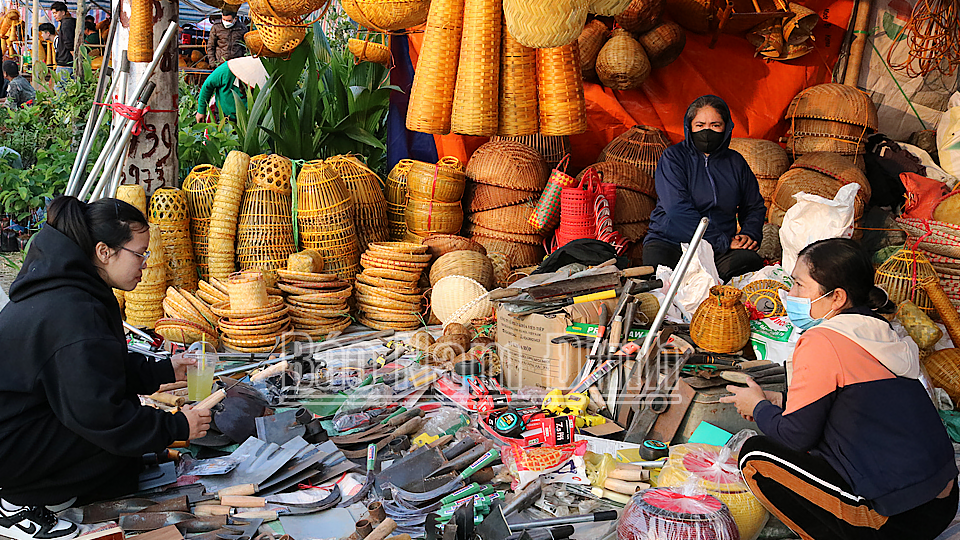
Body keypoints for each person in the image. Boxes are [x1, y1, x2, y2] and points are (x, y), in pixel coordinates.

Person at [0, 196, 212, 540]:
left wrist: (165, 370)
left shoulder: (78, 289)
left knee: (124, 450)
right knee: (113, 437)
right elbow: (100, 414)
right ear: (104, 251)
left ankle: (50, 485)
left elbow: (101, 366)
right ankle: (16, 502)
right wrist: (176, 424)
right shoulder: (71, 310)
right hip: (10, 445)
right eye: (140, 253)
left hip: (27, 422)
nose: (145, 264)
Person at [721, 238, 958, 540]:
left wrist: (758, 408)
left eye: (798, 286)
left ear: (836, 298)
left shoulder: (824, 340)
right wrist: (778, 400)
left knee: (755, 456)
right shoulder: (876, 329)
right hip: (942, 501)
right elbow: (854, 402)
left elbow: (796, 436)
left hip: (898, 520)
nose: (789, 295)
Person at [642, 95, 768, 282]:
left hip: (718, 250)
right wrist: (721, 240)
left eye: (715, 125)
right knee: (661, 281)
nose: (707, 131)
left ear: (726, 128)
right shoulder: (673, 158)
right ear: (689, 127)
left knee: (748, 263)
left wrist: (749, 234)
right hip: (670, 241)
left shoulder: (736, 162)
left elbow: (754, 205)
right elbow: (677, 209)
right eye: (700, 125)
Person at [49, 2, 75, 87]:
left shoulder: (66, 23)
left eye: (56, 13)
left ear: (63, 12)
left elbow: (68, 41)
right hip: (67, 62)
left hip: (65, 62)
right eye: (53, 13)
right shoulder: (67, 22)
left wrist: (74, 55)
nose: (54, 15)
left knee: (60, 89)